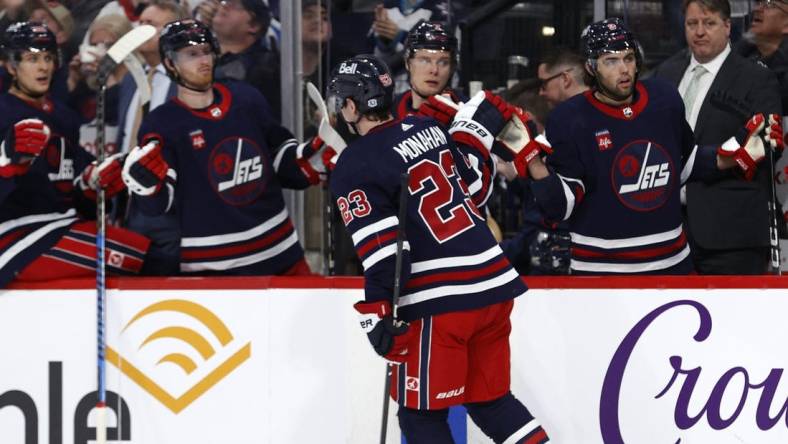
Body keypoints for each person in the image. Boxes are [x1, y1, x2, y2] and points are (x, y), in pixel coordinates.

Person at [327, 54, 549, 443]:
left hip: (442, 302)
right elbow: (476, 188)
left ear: (349, 105)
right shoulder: (426, 127)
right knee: (490, 401)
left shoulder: (354, 163)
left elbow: (387, 255)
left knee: (420, 416)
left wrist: (377, 316)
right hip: (493, 286)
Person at [520, 17, 781, 275]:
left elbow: (685, 163)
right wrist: (534, 164)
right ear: (591, 67)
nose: (623, 69)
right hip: (601, 274)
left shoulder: (663, 98)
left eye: (628, 58)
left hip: (672, 265)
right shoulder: (569, 118)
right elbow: (560, 207)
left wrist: (735, 154)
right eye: (611, 61)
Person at [121, 19, 330, 276]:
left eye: (206, 51)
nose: (203, 60)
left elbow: (279, 157)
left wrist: (309, 160)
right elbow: (160, 205)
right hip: (211, 271)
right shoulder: (163, 123)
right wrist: (148, 187)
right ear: (169, 63)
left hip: (281, 254)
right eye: (191, 54)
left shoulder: (246, 98)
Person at [0, 22, 148, 287]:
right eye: (32, 59)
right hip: (14, 235)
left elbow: (74, 192)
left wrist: (91, 184)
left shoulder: (63, 115)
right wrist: (6, 164)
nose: (43, 67)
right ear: (11, 66)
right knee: (142, 258)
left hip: (60, 227)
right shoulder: (3, 113)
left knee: (148, 252)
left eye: (47, 58)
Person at [652, 0, 782, 274]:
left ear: (727, 26)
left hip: (732, 236)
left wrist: (711, 160)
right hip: (667, 233)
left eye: (708, 23)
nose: (699, 32)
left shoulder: (757, 78)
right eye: (692, 24)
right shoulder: (665, 74)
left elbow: (767, 147)